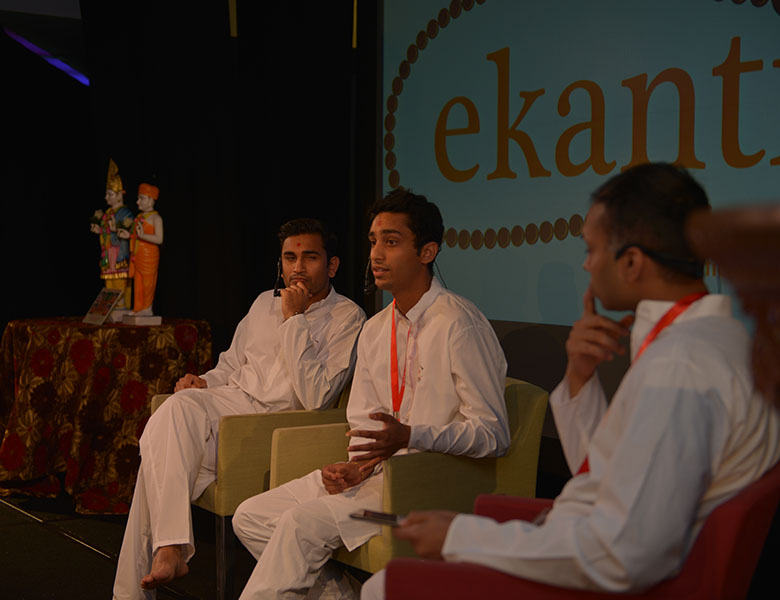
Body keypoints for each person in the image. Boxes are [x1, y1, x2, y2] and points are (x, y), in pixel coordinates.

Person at [361, 163, 780, 598]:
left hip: (612, 574)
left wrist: (463, 535)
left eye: (592, 249)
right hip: (596, 544)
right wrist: (580, 377)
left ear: (632, 262)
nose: (586, 264)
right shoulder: (719, 338)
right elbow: (612, 474)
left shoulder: (680, 366)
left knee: (382, 588)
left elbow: (620, 555)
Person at [231, 189, 510, 599]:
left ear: (427, 251)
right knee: (251, 516)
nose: (376, 254)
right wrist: (357, 466)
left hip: (424, 488)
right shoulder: (376, 328)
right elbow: (365, 423)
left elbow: (493, 434)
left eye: (391, 242)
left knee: (298, 525)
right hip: (374, 479)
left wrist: (412, 436)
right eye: (374, 241)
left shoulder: (458, 323)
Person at [112, 218, 366, 600]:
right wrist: (204, 382)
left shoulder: (348, 317)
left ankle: (140, 582)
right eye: (290, 258)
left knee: (157, 463)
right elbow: (231, 365)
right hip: (231, 406)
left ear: (331, 266)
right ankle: (169, 548)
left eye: (310, 258)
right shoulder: (264, 302)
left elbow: (317, 396)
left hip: (274, 429)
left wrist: (295, 319)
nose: (297, 268)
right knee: (175, 410)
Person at [91, 158, 134, 309]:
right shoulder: (108, 212)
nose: (106, 198)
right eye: (106, 194)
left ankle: (120, 306)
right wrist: (99, 231)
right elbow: (106, 231)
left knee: (119, 279)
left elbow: (130, 232)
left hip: (119, 252)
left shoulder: (126, 213)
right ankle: (110, 306)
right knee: (109, 281)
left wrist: (116, 230)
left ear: (120, 194)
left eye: (110, 194)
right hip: (108, 252)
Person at [129, 183, 164, 316]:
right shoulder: (139, 217)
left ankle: (147, 308)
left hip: (149, 256)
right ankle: (138, 308)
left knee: (148, 283)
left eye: (142, 198)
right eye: (138, 198)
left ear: (151, 200)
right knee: (138, 283)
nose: (138, 202)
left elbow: (159, 239)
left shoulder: (156, 218)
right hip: (137, 255)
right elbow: (135, 235)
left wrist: (143, 236)